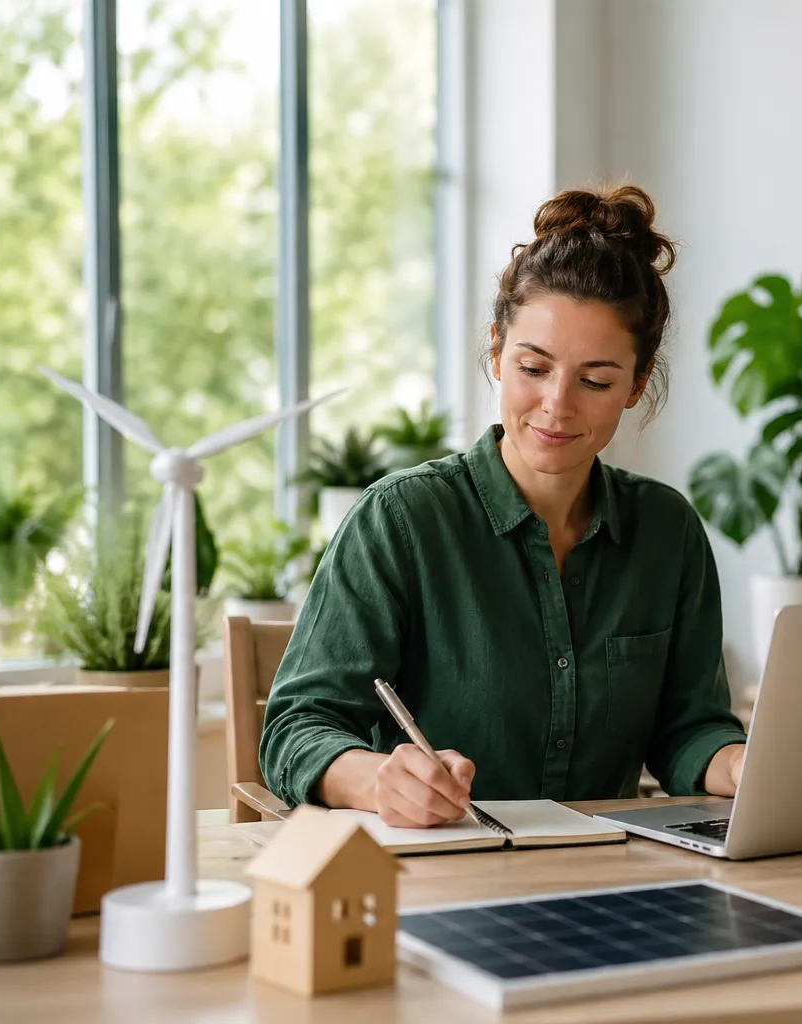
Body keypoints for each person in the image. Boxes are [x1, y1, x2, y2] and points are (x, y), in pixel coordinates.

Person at [259, 185, 748, 828]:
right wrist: (381, 781)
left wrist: (744, 764)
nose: (557, 405)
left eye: (595, 380)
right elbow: (296, 728)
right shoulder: (401, 520)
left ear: (636, 383)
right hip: (440, 866)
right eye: (533, 368)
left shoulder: (666, 530)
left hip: (604, 869)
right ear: (495, 351)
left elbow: (689, 729)